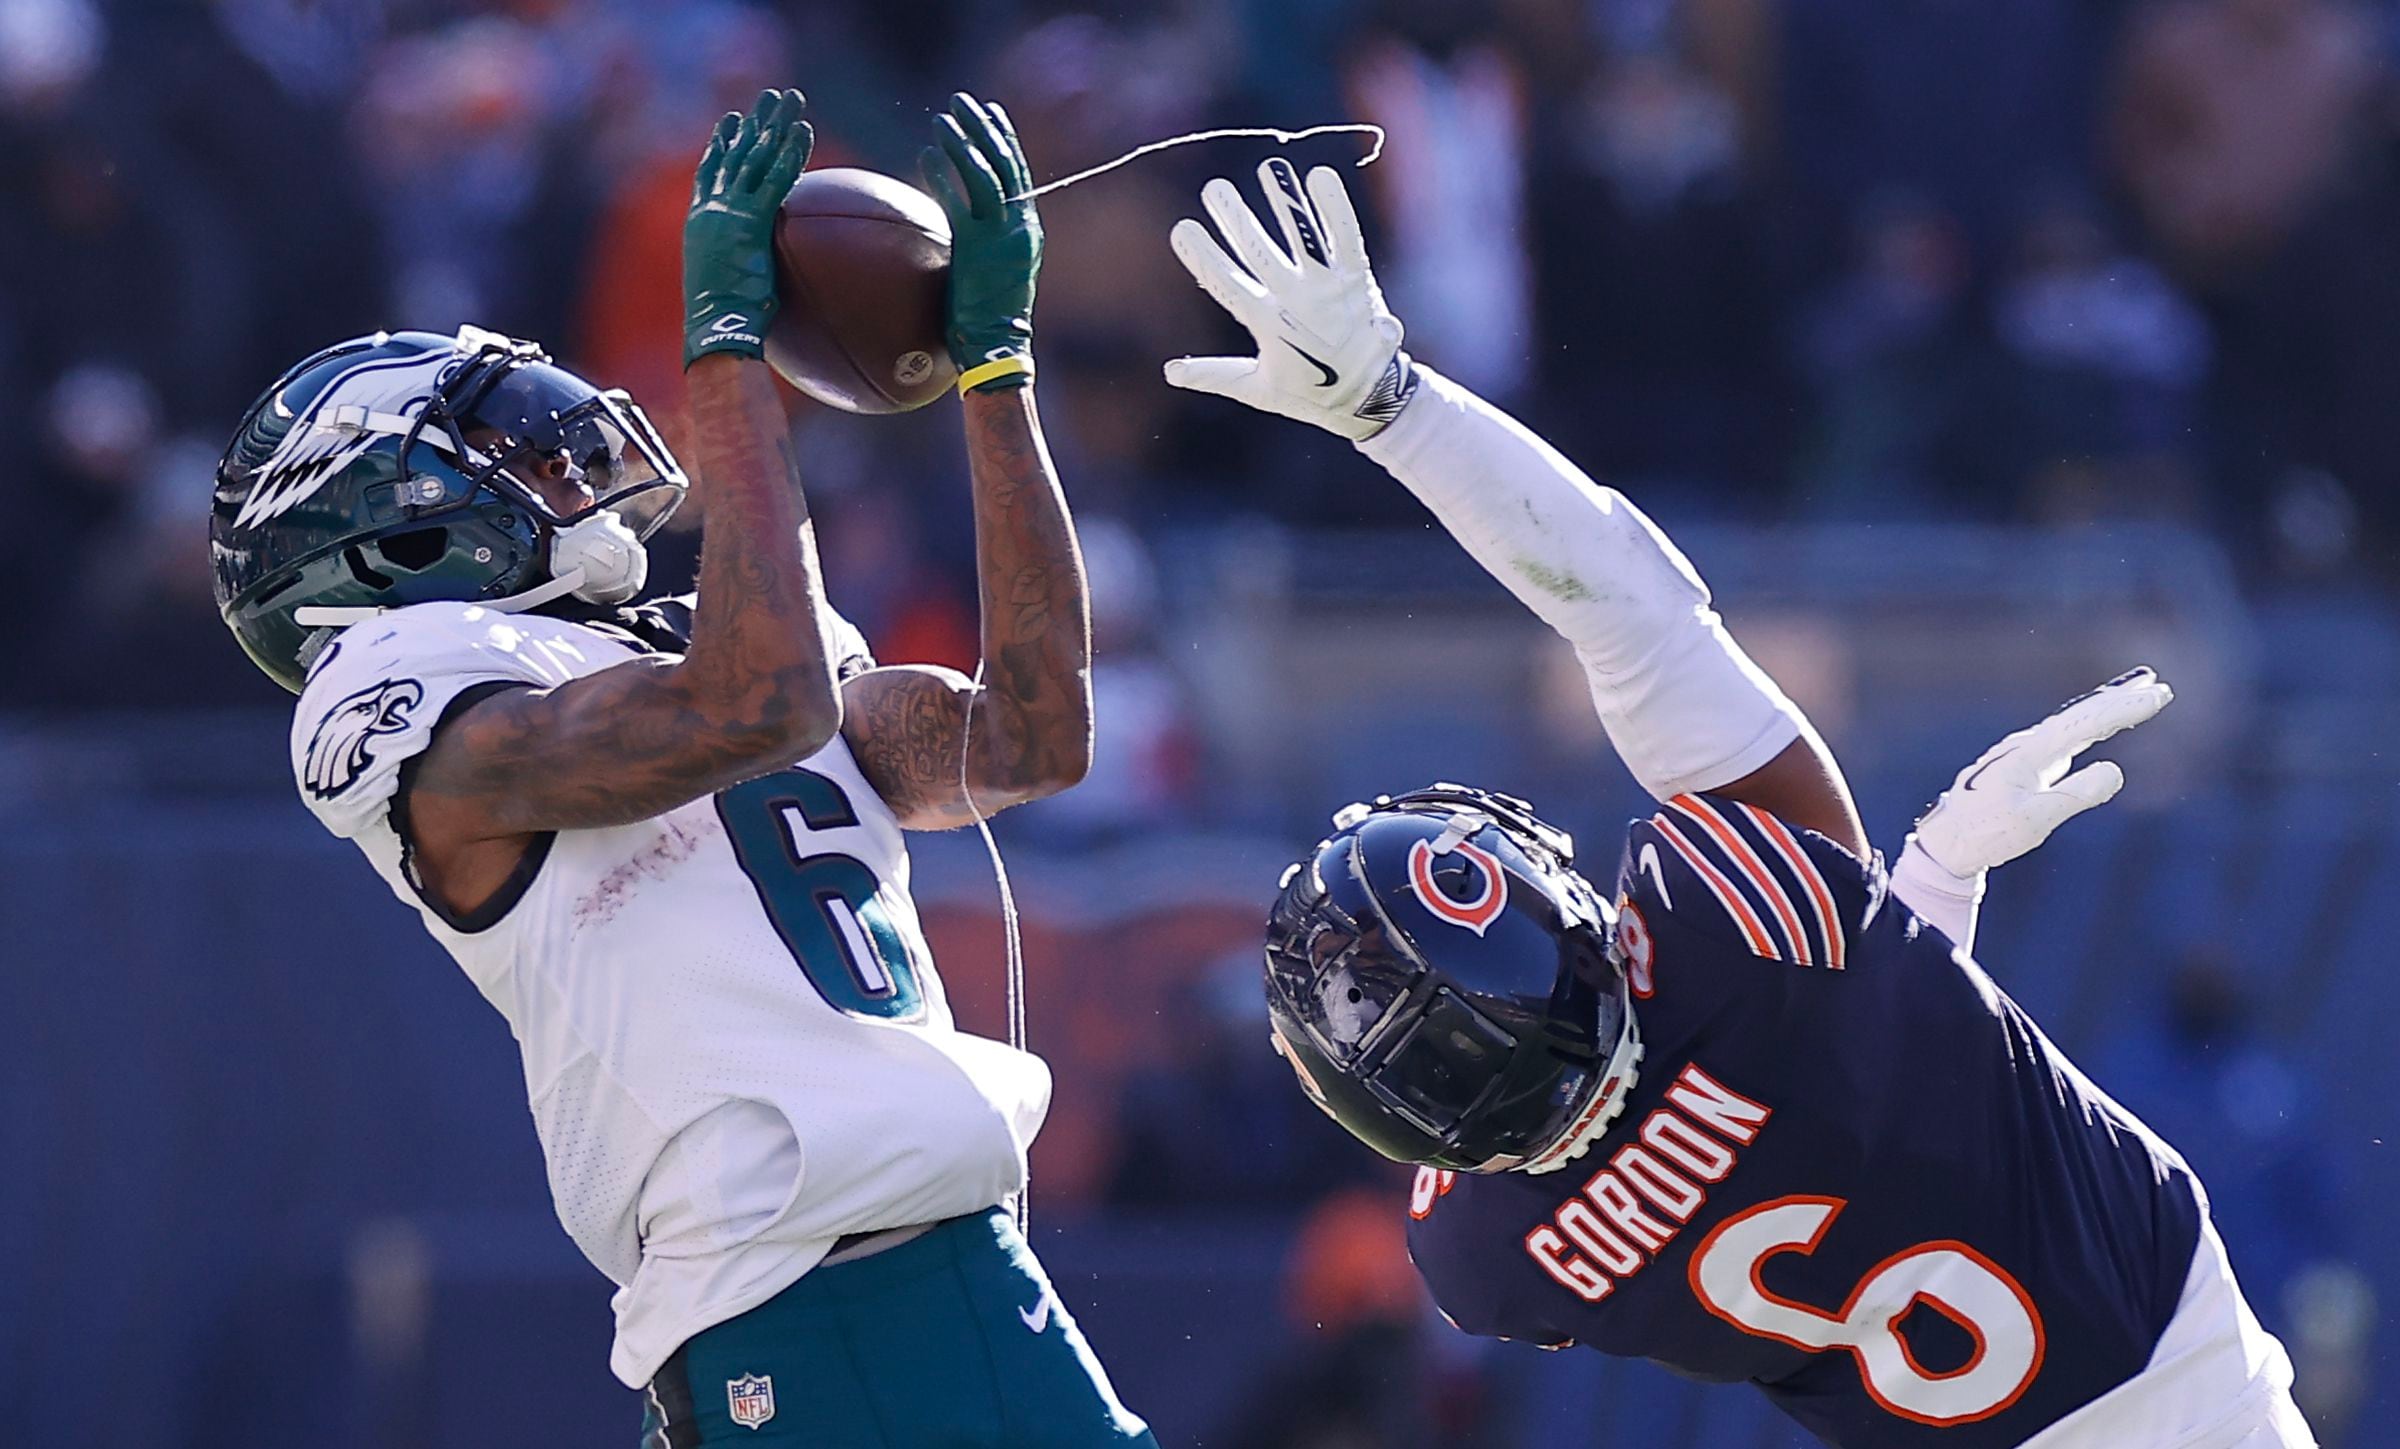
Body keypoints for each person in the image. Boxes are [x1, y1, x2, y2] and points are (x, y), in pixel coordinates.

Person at [1163, 156, 2314, 1447]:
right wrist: (1393, 406)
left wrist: (1930, 897)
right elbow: (1627, 598)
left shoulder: (1496, 1264)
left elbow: (1844, 1090)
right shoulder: (1751, 927)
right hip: (2176, 1360)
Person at [209, 89, 1153, 1448]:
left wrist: (999, 379)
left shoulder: (683, 638)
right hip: (815, 1298)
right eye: (492, 449)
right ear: (374, 524)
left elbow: (1031, 736)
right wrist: (729, 359)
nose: (550, 460)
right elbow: (751, 705)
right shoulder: (395, 692)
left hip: (939, 1276)